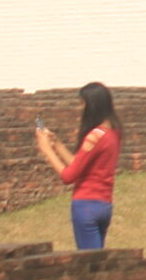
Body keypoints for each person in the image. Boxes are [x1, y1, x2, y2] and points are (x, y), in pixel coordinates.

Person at [35, 81, 122, 250]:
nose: (79, 109)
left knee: (91, 264)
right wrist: (57, 145)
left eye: (82, 104)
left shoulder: (95, 136)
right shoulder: (113, 133)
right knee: (98, 260)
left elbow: (69, 176)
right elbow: (79, 164)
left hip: (86, 204)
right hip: (104, 204)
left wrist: (47, 150)